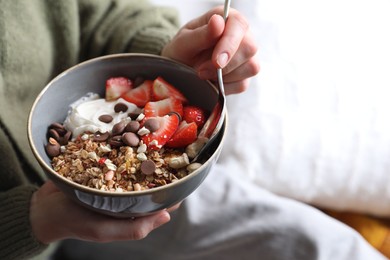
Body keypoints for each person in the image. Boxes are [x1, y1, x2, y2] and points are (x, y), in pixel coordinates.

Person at [0, 0, 258, 259]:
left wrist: (164, 57)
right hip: (29, 235)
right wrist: (33, 220)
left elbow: (108, 13)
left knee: (292, 231)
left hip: (150, 205)